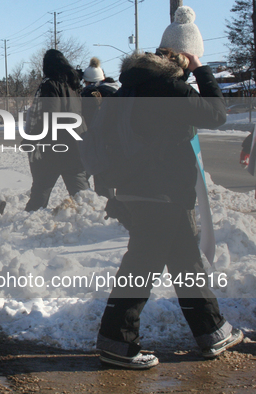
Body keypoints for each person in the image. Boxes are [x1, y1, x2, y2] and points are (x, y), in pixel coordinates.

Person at [96, 6, 243, 370]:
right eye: (193, 58)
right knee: (141, 267)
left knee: (185, 262)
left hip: (141, 190)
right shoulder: (168, 88)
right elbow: (216, 114)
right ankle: (117, 341)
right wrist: (202, 70)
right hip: (159, 193)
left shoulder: (131, 85)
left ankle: (212, 331)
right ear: (183, 55)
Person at [24, 49, 90, 212]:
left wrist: (34, 139)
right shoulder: (73, 86)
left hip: (54, 147)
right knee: (81, 192)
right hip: (76, 144)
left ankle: (27, 223)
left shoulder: (49, 85)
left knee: (41, 190)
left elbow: (49, 116)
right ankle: (92, 219)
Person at [79, 57, 130, 228]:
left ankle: (106, 214)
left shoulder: (89, 95)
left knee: (100, 180)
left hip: (98, 141)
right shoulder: (117, 90)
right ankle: (120, 209)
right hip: (120, 141)